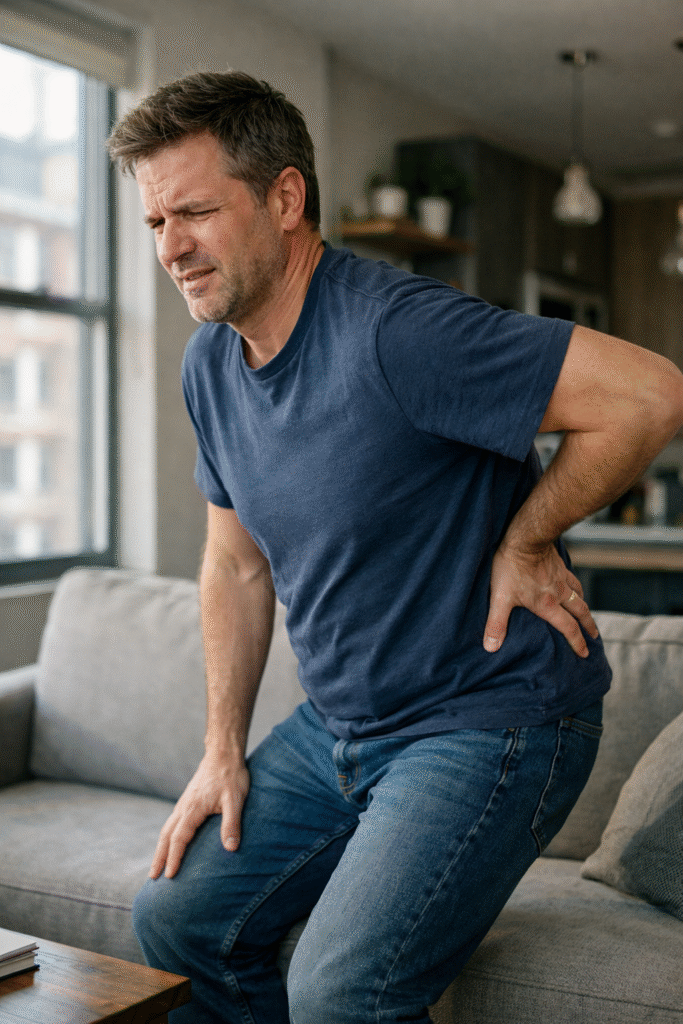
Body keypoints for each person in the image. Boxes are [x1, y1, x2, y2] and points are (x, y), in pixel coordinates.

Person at [107, 71, 683, 1024]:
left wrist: (529, 535)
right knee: (176, 918)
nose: (171, 248)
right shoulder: (210, 364)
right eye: (154, 223)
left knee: (338, 991)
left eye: (195, 213)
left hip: (492, 722)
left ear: (284, 198)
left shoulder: (397, 328)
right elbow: (235, 563)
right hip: (342, 730)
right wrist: (221, 752)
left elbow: (649, 395)